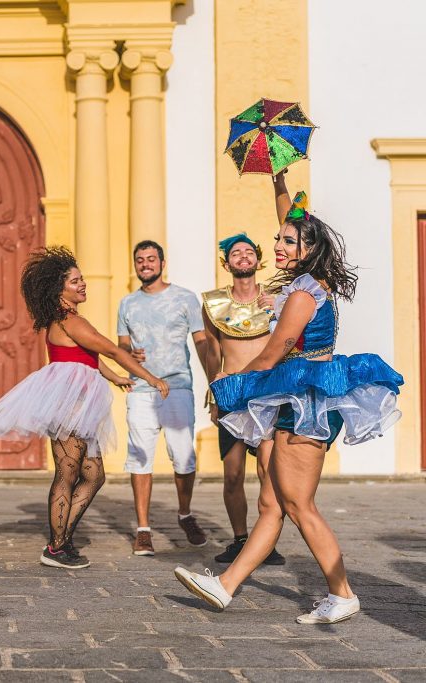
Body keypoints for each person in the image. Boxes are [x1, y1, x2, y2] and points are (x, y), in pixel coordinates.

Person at [174, 175, 403, 625]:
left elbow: (273, 353)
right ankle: (224, 587)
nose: (277, 244)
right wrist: (278, 176)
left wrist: (228, 389)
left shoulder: (301, 294)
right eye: (277, 238)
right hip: (294, 400)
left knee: (298, 505)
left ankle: (342, 593)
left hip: (307, 404)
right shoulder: (306, 278)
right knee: (272, 505)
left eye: (287, 241)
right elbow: (294, 217)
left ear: (307, 249)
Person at [0, 247, 168, 569]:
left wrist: (116, 379)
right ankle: (56, 547)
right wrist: (151, 378)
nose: (83, 284)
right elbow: (111, 349)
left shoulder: (66, 320)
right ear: (59, 288)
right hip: (71, 404)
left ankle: (62, 537)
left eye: (82, 279)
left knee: (93, 476)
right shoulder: (69, 320)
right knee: (67, 474)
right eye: (75, 281)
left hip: (81, 402)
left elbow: (86, 360)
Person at [117, 240, 209, 556]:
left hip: (178, 386)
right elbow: (122, 346)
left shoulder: (185, 298)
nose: (145, 264)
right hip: (142, 390)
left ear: (162, 262)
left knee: (184, 456)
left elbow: (201, 341)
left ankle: (184, 514)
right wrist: (130, 352)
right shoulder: (127, 303)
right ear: (135, 264)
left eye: (151, 259)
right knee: (140, 456)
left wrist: (215, 377)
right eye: (140, 259)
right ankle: (143, 530)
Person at [201, 233, 285, 566]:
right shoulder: (213, 303)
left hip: (266, 392)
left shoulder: (275, 299)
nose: (243, 256)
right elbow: (212, 352)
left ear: (258, 260)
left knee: (268, 470)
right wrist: (213, 395)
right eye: (236, 253)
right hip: (232, 396)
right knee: (233, 473)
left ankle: (268, 539)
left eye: (249, 252)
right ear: (227, 263)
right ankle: (240, 539)